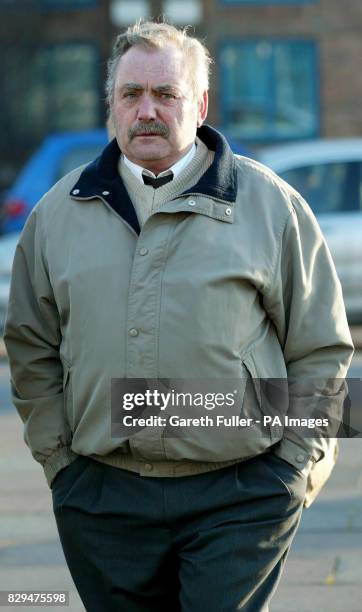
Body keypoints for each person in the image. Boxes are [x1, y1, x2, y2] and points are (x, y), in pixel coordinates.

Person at [4, 20, 354, 612]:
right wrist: (60, 463)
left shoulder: (269, 205)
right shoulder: (57, 215)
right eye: (131, 94)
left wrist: (296, 467)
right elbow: (31, 346)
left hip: (242, 493)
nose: (147, 111)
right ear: (111, 104)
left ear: (200, 104)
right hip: (102, 495)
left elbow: (322, 349)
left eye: (166, 95)